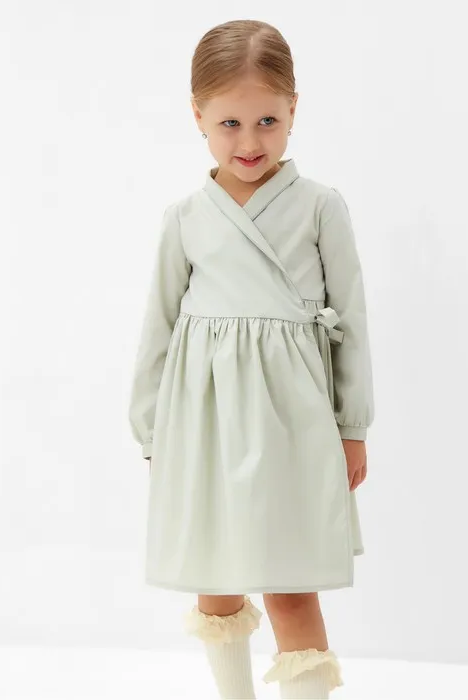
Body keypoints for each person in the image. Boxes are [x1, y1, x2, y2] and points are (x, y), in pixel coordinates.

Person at [128, 18, 375, 700]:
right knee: (215, 580)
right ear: (198, 116)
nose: (249, 142)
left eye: (268, 121)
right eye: (229, 124)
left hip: (293, 421)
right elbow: (158, 327)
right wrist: (153, 431)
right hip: (206, 422)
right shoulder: (185, 218)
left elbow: (351, 322)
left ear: (294, 109)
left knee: (291, 586)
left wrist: (352, 425)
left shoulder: (320, 208)